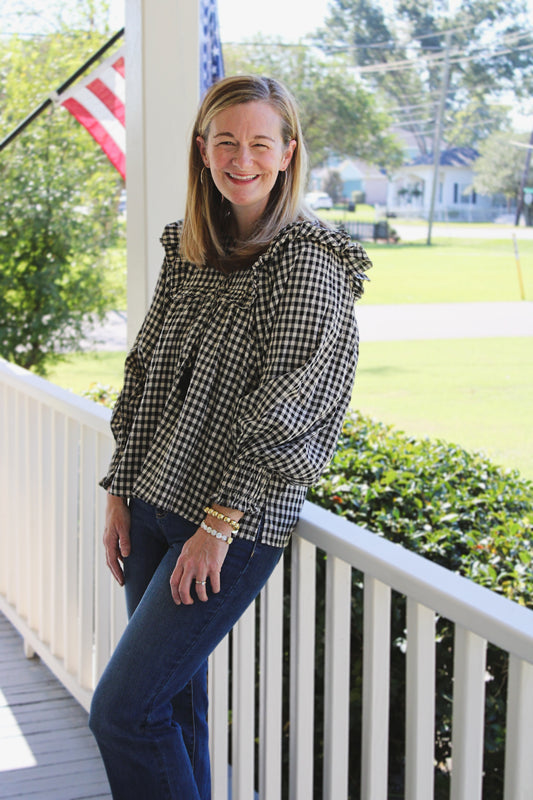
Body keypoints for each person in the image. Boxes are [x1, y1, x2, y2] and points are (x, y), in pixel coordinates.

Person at [89, 74, 371, 799]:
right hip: (154, 502)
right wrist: (121, 489)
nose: (240, 159)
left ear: (287, 154)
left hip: (226, 524)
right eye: (225, 142)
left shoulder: (305, 262)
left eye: (258, 143)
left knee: (122, 713)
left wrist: (218, 523)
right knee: (171, 709)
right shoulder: (192, 247)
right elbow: (147, 372)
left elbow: (289, 410)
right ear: (202, 150)